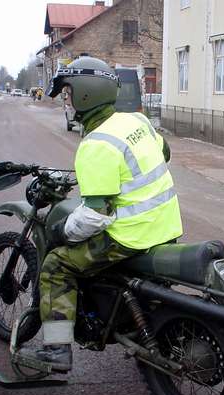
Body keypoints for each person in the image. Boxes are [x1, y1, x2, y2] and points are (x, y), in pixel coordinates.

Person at [18, 57, 181, 371]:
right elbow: (164, 153)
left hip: (129, 237)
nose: (66, 98)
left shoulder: (96, 144)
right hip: (167, 226)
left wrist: (61, 232)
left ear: (85, 93)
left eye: (68, 91)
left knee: (55, 265)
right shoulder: (137, 122)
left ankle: (57, 352)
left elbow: (95, 216)